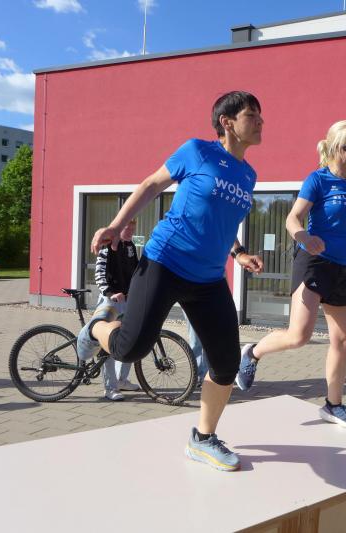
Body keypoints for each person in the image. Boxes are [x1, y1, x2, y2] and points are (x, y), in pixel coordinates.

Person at [75, 91, 265, 471]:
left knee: (226, 364)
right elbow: (151, 184)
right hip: (166, 261)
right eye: (252, 115)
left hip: (208, 278)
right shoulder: (197, 151)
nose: (261, 121)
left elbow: (221, 220)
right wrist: (115, 225)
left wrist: (239, 252)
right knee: (129, 348)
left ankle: (203, 439)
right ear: (227, 122)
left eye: (260, 115)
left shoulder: (248, 175)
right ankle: (96, 328)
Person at [233, 119, 346, 430]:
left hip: (342, 267)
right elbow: (292, 218)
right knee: (298, 336)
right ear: (339, 147)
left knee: (342, 340)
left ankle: (334, 404)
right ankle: (252, 352)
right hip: (313, 262)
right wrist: (303, 236)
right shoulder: (318, 180)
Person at [94, 219, 141, 401]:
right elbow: (99, 273)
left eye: (133, 229)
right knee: (108, 343)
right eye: (127, 228)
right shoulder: (107, 246)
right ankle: (110, 387)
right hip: (111, 300)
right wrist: (110, 293)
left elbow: (136, 272)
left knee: (130, 339)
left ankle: (122, 380)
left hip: (127, 300)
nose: (130, 232)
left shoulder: (130, 246)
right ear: (119, 228)